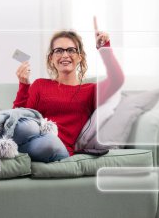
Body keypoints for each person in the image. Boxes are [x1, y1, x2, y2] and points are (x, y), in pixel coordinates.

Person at [12, 18, 124, 162]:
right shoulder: (39, 85)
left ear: (80, 57)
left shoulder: (90, 91)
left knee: (49, 142)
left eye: (71, 50)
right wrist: (24, 85)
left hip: (57, 148)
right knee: (19, 125)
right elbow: (20, 120)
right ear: (51, 58)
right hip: (33, 141)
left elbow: (117, 79)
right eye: (59, 51)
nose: (65, 55)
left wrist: (104, 49)